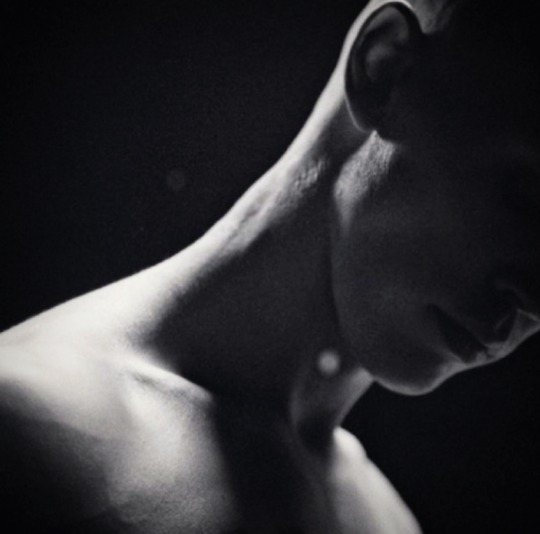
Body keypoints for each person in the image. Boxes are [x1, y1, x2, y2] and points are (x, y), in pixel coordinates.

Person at [1, 0, 539, 531]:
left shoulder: (388, 521)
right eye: (529, 202)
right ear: (385, 68)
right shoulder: (29, 430)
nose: (532, 300)